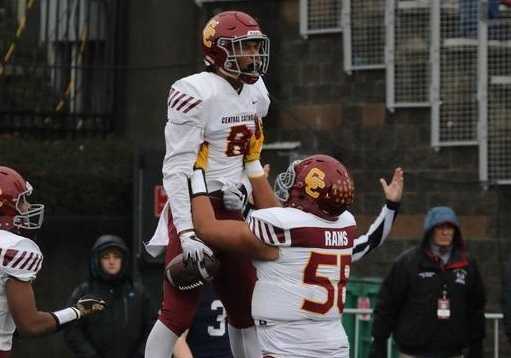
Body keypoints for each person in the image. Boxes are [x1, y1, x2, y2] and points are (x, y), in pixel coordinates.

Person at [144, 9, 271, 358]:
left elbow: (247, 154)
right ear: (219, 51)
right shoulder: (194, 91)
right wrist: (185, 232)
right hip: (198, 210)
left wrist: (244, 191)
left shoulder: (256, 91)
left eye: (256, 47)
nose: (254, 56)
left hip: (231, 210)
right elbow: (176, 169)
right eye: (245, 48)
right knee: (178, 311)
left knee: (246, 308)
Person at [188, 154, 404, 357]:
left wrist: (198, 175)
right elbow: (369, 242)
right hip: (334, 345)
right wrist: (391, 207)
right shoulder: (343, 227)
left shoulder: (284, 227)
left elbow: (208, 228)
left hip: (289, 345)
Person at [0, 166, 105, 358]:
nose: (28, 207)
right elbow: (30, 325)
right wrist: (77, 311)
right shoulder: (16, 248)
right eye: (22, 200)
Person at [370, 206, 486, 358]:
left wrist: (476, 347)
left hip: (452, 352)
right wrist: (379, 343)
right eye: (440, 227)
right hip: (413, 352)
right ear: (430, 231)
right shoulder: (408, 263)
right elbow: (387, 305)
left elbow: (476, 309)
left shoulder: (467, 264)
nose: (446, 232)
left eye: (450, 228)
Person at [63, 234, 156, 358]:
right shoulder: (84, 293)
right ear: (97, 260)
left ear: (123, 260)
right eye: (106, 257)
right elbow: (71, 329)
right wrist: (90, 355)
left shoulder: (138, 293)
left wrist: (140, 354)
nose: (112, 261)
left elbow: (152, 327)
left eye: (116, 257)